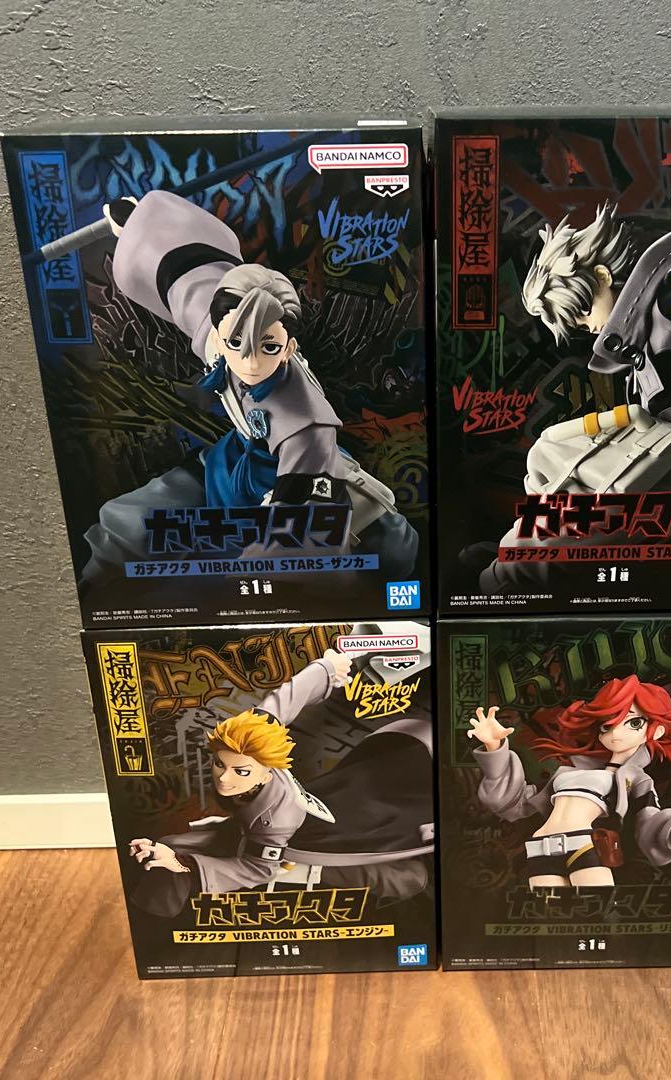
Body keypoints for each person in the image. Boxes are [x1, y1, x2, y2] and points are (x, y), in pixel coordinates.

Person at [80, 190, 417, 586]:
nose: (251, 362)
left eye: (268, 347)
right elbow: (189, 273)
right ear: (219, 337)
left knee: (392, 549)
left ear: (289, 347)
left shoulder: (301, 413)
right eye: (236, 343)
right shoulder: (221, 331)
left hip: (293, 479)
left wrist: (259, 571)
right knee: (127, 525)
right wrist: (138, 224)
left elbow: (304, 501)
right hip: (232, 466)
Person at [476, 166, 671, 594]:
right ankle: (503, 567)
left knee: (539, 549)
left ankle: (501, 576)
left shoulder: (662, 319)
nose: (589, 327)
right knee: (546, 475)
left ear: (601, 277)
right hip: (659, 468)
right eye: (577, 325)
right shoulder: (639, 340)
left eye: (582, 312)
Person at [466, 674, 671, 888]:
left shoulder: (635, 778)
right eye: (607, 725)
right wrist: (495, 749)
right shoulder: (567, 772)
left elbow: (649, 816)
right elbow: (515, 804)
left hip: (583, 845)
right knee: (551, 922)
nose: (616, 733)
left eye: (633, 722)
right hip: (541, 846)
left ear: (656, 730)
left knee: (595, 914)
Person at [128, 648, 350, 917]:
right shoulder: (254, 738)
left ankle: (155, 921)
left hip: (292, 847)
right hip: (243, 828)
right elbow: (284, 701)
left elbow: (259, 869)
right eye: (220, 763)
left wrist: (185, 866)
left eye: (241, 772)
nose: (224, 777)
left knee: (170, 872)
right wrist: (328, 668)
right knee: (165, 843)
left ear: (267, 774)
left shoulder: (277, 819)